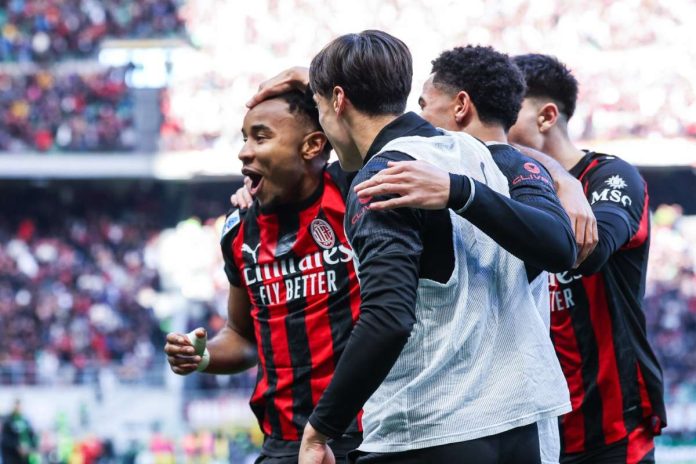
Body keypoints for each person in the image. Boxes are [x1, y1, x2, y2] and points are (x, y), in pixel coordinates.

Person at [292, 30, 571, 464]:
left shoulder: (386, 176)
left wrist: (320, 429)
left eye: (319, 106)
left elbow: (388, 318)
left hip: (426, 429)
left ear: (338, 100)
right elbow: (561, 247)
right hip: (524, 426)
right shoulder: (498, 158)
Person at [164, 89, 362, 463]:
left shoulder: (353, 191)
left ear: (312, 145)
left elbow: (371, 120)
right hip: (282, 442)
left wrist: (308, 80)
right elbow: (242, 336)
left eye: (261, 137)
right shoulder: (238, 230)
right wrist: (201, 356)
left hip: (365, 435)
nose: (244, 152)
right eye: (244, 138)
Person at [507, 54, 666, 464]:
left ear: (546, 116)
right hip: (533, 430)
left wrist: (555, 174)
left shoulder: (612, 177)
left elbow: (591, 250)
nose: (497, 125)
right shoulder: (509, 188)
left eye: (508, 111)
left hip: (611, 432)